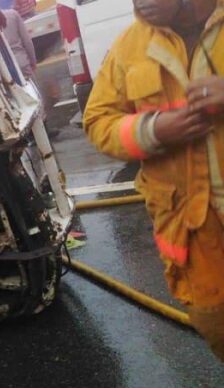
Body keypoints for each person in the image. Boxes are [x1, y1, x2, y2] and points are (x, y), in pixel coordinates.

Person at [84, 0, 224, 360]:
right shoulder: (130, 46)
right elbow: (98, 122)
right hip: (195, 239)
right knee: (216, 325)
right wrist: (154, 130)